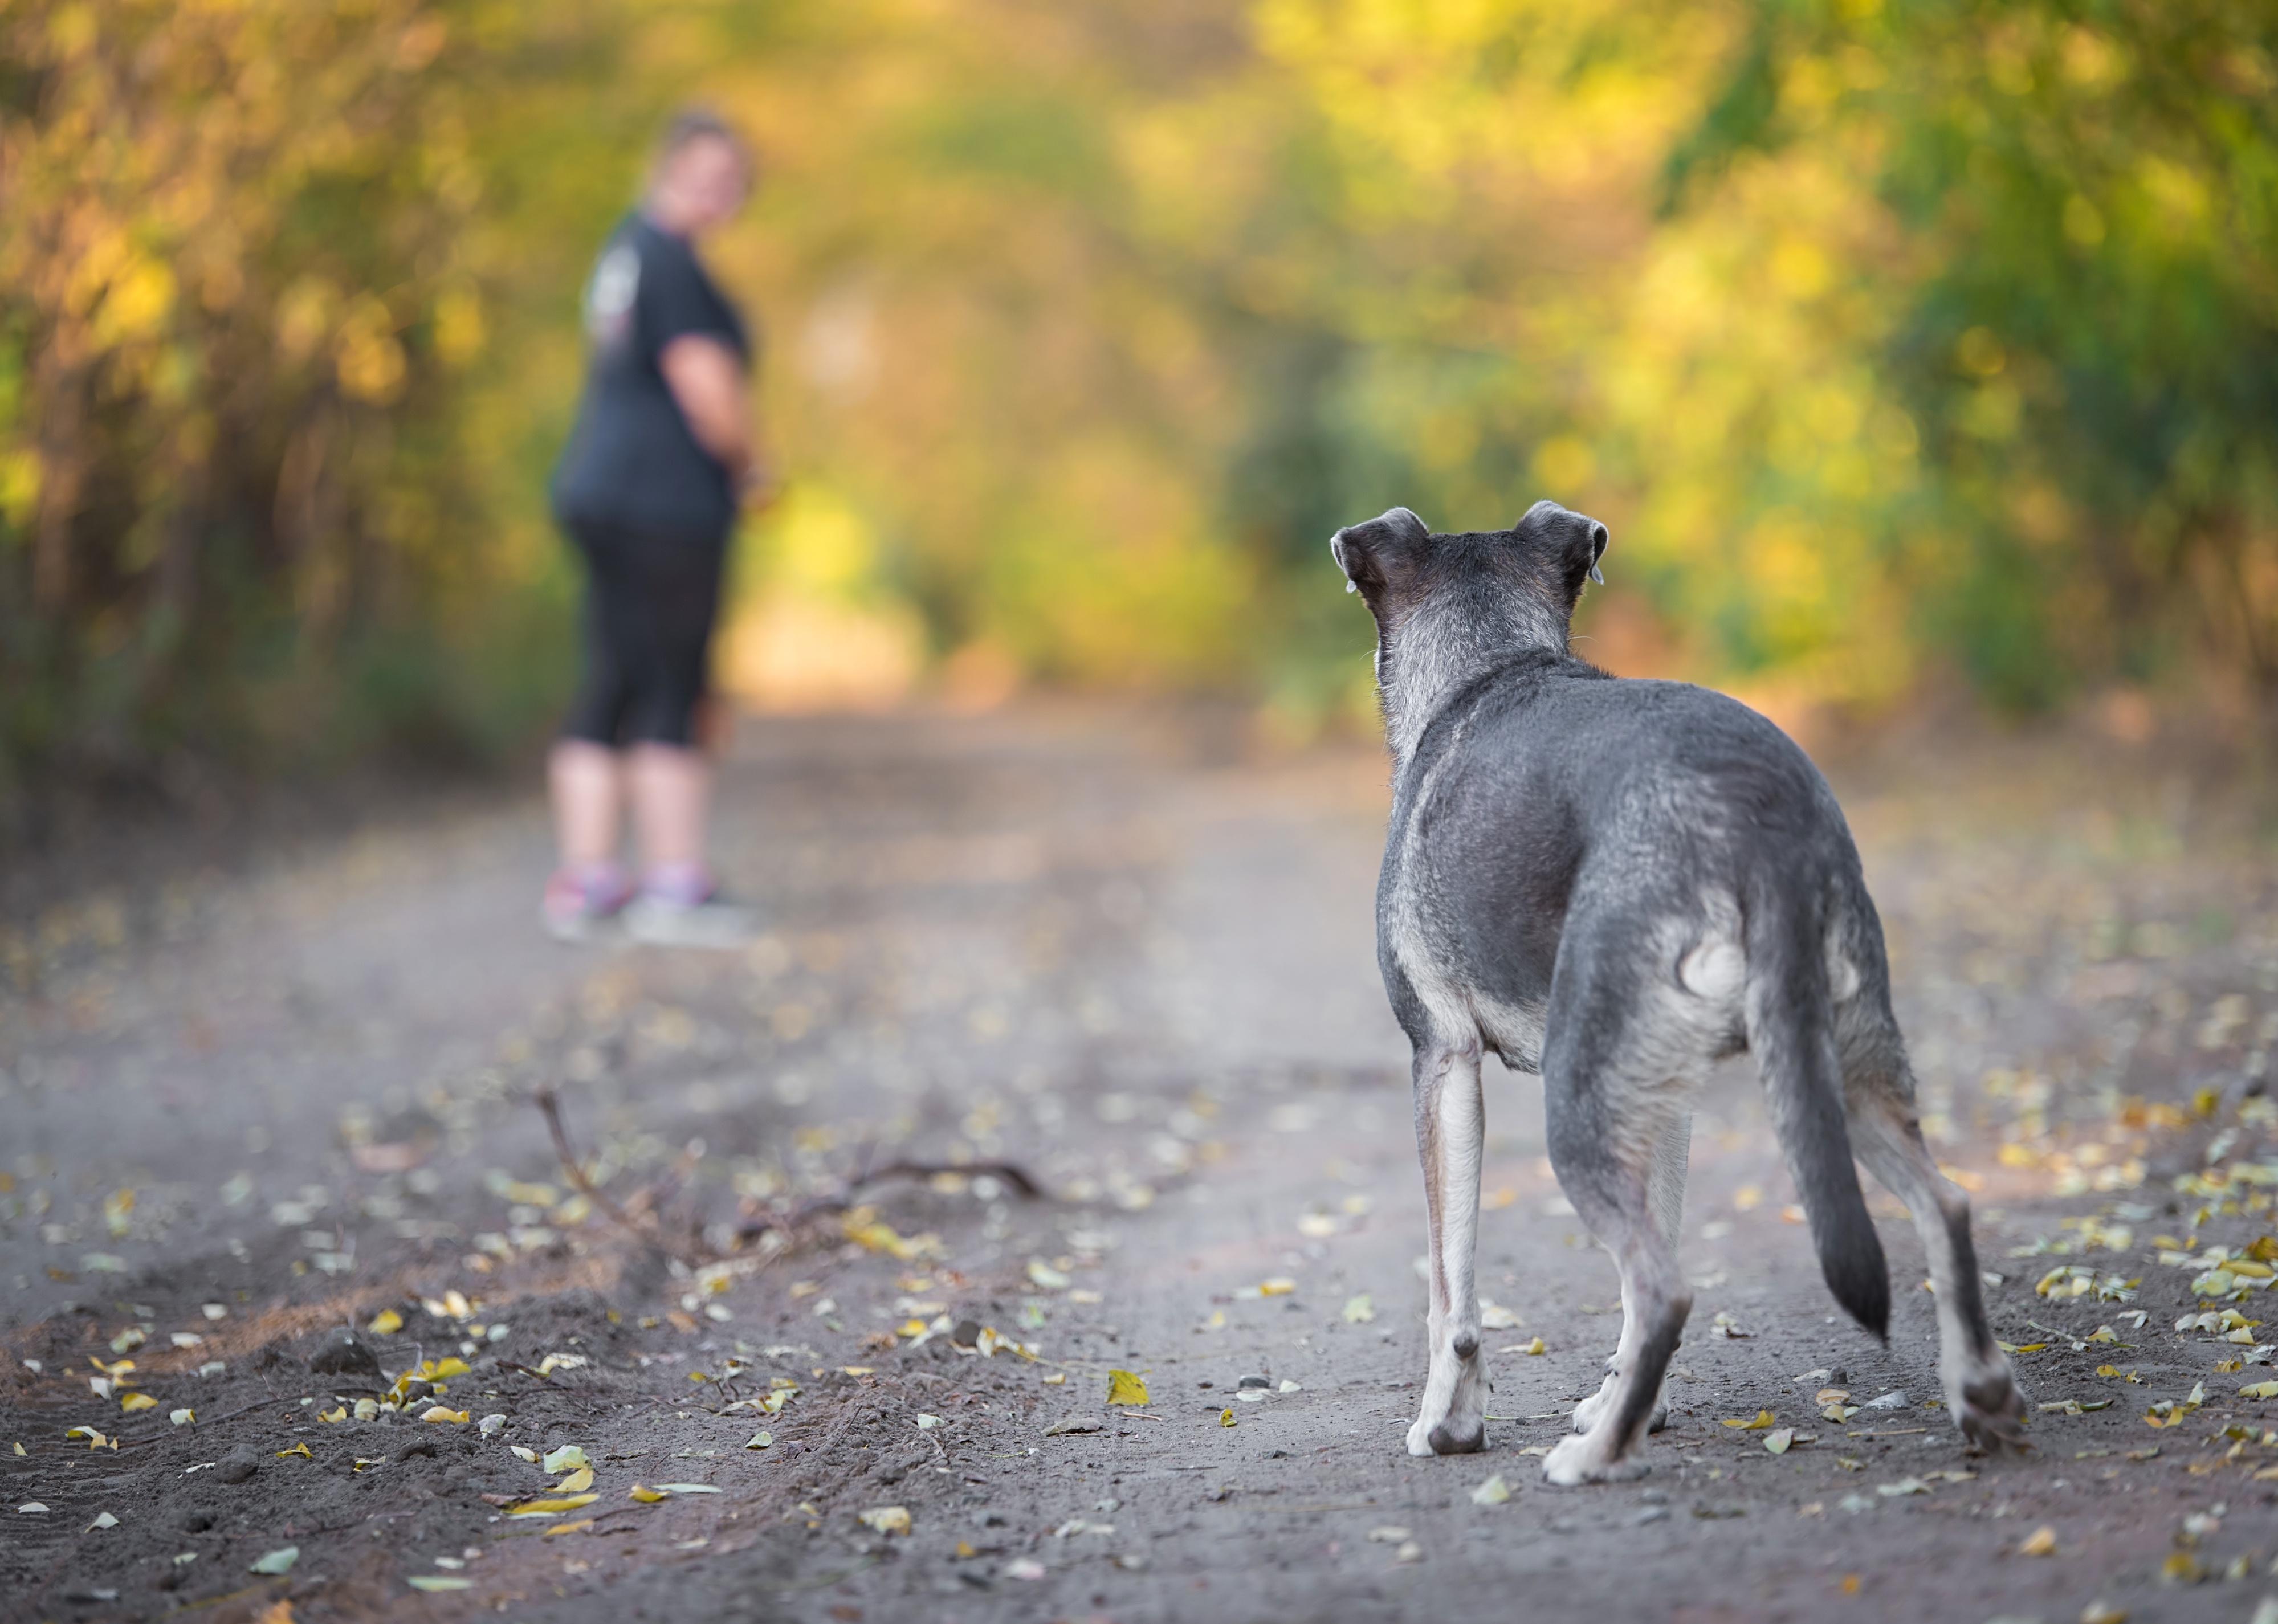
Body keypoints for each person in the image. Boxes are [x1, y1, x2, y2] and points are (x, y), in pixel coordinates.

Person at [543, 109, 769, 946]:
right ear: (663, 167)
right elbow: (703, 382)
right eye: (706, 173)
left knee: (611, 681)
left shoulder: (624, 253)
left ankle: (589, 880)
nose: (720, 193)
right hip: (663, 504)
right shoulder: (670, 262)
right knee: (675, 685)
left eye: (733, 180)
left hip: (598, 491)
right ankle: (673, 884)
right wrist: (752, 467)